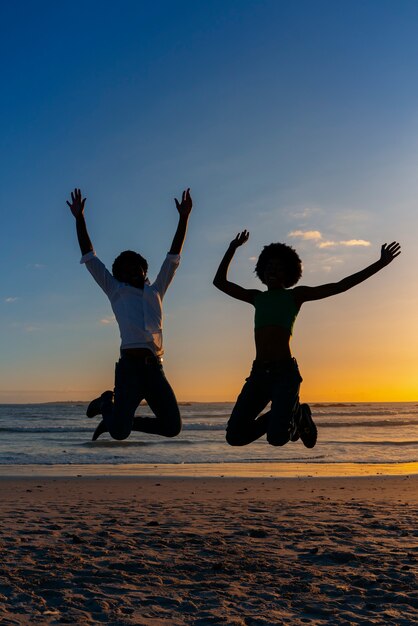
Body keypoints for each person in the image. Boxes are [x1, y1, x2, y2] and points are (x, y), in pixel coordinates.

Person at [213, 230, 401, 449]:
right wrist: (232, 248)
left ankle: (297, 414)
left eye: (279, 268)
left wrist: (380, 264)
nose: (273, 271)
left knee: (277, 439)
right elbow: (219, 282)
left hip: (284, 374)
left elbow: (341, 285)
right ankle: (295, 413)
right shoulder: (256, 297)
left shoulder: (295, 296)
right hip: (259, 375)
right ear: (262, 272)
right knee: (234, 436)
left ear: (289, 273)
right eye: (269, 267)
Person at [67, 187, 193, 441]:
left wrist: (183, 218)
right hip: (130, 369)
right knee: (119, 433)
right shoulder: (115, 289)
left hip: (154, 368)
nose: (133, 271)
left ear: (145, 271)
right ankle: (106, 406)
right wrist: (79, 218)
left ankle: (115, 418)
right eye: (126, 269)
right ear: (118, 274)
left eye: (137, 268)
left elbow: (174, 256)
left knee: (172, 427)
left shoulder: (157, 289)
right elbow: (90, 257)